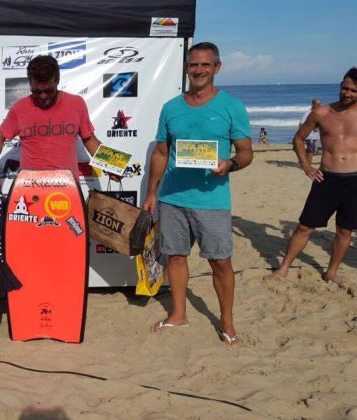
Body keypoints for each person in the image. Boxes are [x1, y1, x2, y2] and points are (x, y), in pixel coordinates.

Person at [142, 42, 253, 345]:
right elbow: (161, 152)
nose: (199, 70)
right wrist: (151, 192)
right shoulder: (171, 107)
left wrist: (229, 164)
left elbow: (246, 152)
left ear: (217, 67)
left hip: (212, 200)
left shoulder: (232, 107)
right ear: (187, 68)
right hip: (173, 197)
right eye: (193, 65)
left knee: (220, 261)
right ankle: (178, 314)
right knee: (175, 257)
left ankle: (227, 321)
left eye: (205, 65)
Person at [265, 68, 357, 286]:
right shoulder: (322, 113)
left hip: (354, 180)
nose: (347, 93)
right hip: (326, 179)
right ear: (339, 86)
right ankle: (284, 267)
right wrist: (305, 165)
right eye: (345, 88)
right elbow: (298, 139)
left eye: (354, 90)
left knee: (345, 230)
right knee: (305, 226)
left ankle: (331, 272)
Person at [0, 55, 103, 190]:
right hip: (29, 187)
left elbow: (90, 140)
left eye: (49, 90)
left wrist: (114, 166)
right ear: (30, 83)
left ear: (57, 80)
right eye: (37, 91)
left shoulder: (76, 104)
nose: (43, 96)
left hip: (67, 187)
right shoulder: (20, 107)